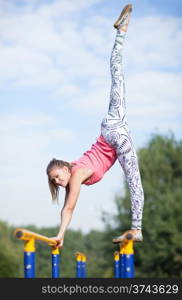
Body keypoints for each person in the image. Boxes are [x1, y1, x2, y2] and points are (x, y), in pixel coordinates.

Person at [46, 4, 144, 248]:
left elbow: (69, 207)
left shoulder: (77, 173)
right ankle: (121, 32)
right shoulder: (75, 173)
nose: (58, 182)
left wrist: (61, 235)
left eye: (57, 177)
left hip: (114, 134)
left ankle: (137, 228)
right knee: (117, 77)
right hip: (110, 127)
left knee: (134, 181)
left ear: (66, 169)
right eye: (54, 182)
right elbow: (66, 207)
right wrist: (61, 232)